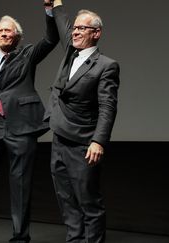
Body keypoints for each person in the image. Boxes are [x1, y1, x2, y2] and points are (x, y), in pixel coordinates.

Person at [0, 3, 59, 243]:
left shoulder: (27, 54)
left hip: (22, 127)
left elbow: (51, 39)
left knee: (21, 184)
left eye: (9, 31)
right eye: (0, 32)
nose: (4, 34)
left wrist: (49, 11)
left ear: (17, 36)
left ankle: (20, 238)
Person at [44, 0, 120, 242]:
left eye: (81, 29)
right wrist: (55, 4)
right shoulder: (70, 52)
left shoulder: (106, 66)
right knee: (66, 200)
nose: (75, 32)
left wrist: (98, 141)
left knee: (89, 202)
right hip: (59, 138)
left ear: (96, 33)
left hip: (82, 144)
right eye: (74, 28)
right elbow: (63, 24)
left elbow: (108, 106)